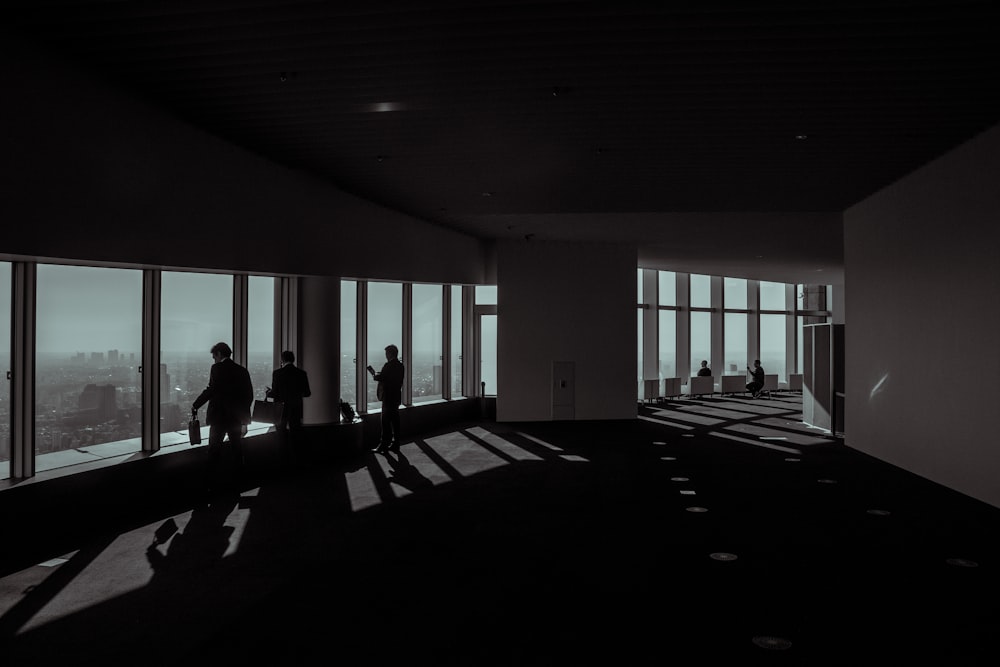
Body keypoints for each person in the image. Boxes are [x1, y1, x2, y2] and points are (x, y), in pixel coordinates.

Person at [192, 342, 254, 495]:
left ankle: (209, 486)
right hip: (235, 419)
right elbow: (249, 395)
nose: (214, 360)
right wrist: (241, 413)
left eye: (214, 357)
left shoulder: (217, 368)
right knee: (237, 450)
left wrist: (196, 405)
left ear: (219, 354)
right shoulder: (242, 371)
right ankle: (239, 483)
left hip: (219, 418)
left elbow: (212, 390)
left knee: (214, 451)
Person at [266, 350, 311, 464]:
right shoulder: (301, 373)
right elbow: (307, 393)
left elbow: (275, 393)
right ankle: (297, 461)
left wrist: (269, 392)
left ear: (282, 360)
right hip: (296, 408)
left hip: (281, 409)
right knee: (296, 435)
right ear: (293, 360)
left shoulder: (277, 373)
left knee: (281, 436)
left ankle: (283, 462)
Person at [366, 343, 405, 454]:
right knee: (395, 421)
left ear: (390, 354)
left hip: (388, 397)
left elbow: (381, 377)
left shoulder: (388, 366)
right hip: (396, 397)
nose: (385, 356)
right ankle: (395, 443)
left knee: (385, 421)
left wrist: (374, 374)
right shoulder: (401, 366)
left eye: (386, 353)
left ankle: (384, 444)